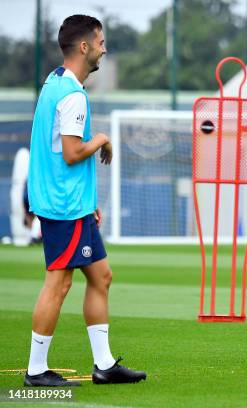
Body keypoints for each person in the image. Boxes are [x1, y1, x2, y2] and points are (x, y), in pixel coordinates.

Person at [25, 15, 146, 387]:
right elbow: (72, 152)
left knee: (101, 276)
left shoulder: (54, 82)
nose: (104, 48)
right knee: (58, 283)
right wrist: (102, 139)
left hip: (71, 203)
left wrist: (89, 198)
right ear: (84, 47)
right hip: (64, 206)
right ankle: (35, 370)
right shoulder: (73, 95)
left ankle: (104, 365)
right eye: (100, 42)